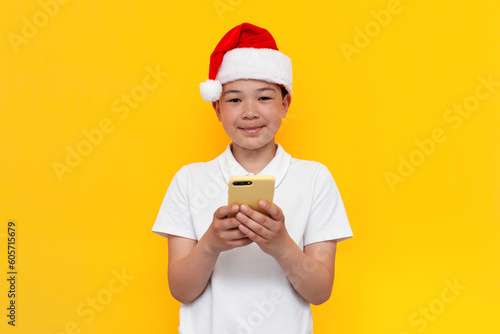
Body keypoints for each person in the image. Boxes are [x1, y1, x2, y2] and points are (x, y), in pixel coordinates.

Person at [152, 22, 353, 334]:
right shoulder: (189, 180)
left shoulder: (315, 178)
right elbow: (181, 289)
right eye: (234, 99)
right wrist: (211, 244)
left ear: (285, 104)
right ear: (217, 108)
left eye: (264, 98)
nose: (249, 112)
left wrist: (281, 245)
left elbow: (320, 291)